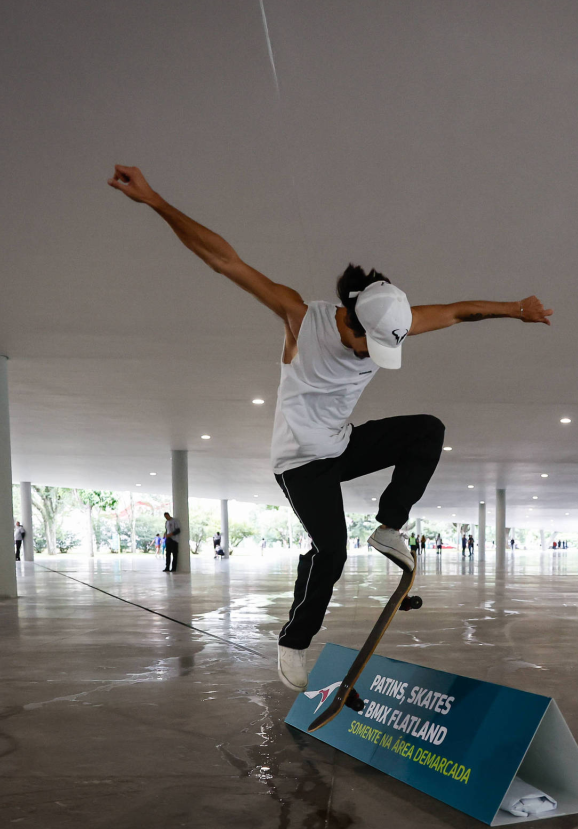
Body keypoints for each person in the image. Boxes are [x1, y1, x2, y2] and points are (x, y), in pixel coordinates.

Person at [109, 164, 552, 692]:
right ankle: (295, 642)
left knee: (427, 430)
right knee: (332, 552)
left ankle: (390, 527)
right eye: (373, 346)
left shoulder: (394, 321)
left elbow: (458, 312)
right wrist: (156, 200)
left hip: (341, 444)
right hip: (300, 464)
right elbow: (224, 260)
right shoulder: (300, 317)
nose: (378, 355)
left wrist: (516, 310)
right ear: (351, 317)